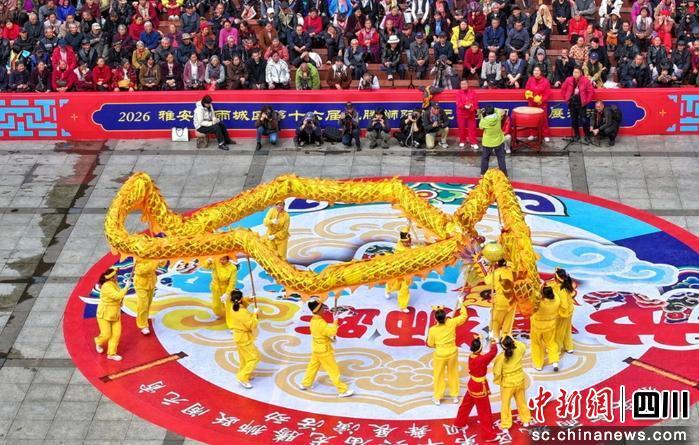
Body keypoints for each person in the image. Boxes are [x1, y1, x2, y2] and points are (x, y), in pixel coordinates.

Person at [300, 299, 355, 397]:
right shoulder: (321, 323)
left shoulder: (313, 320)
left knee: (312, 366)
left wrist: (330, 339)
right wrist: (335, 320)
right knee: (333, 370)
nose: (324, 310)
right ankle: (342, 390)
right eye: (322, 308)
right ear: (318, 311)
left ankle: (305, 384)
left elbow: (322, 334)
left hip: (316, 348)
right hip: (324, 350)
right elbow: (332, 332)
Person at [454, 334, 499, 441]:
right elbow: (492, 353)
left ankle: (459, 423)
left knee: (466, 404)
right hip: (479, 387)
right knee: (484, 411)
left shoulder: (471, 356)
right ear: (480, 348)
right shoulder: (481, 359)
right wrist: (493, 342)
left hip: (472, 383)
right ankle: (489, 435)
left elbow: (485, 355)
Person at [427, 298, 468, 405]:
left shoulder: (433, 329)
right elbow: (464, 316)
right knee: (453, 373)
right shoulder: (451, 322)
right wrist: (461, 303)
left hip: (440, 353)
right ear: (445, 317)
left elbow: (430, 344)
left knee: (439, 375)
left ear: (436, 318)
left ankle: (437, 397)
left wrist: (437, 345)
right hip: (452, 352)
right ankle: (454, 396)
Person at [494, 336, 532, 432]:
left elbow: (497, 372)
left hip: (507, 384)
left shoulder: (501, 357)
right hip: (519, 380)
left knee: (505, 405)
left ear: (502, 346)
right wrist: (511, 338)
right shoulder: (519, 349)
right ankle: (526, 420)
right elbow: (522, 345)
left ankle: (506, 425)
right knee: (521, 401)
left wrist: (499, 381)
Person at [226, 290, 260, 389]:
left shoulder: (232, 306)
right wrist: (255, 314)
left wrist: (249, 298)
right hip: (244, 337)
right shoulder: (242, 312)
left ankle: (245, 373)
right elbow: (252, 324)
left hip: (238, 336)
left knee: (244, 357)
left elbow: (242, 301)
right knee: (254, 357)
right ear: (240, 299)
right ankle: (242, 377)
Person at [94, 267, 131, 361]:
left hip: (115, 313)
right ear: (111, 277)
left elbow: (118, 297)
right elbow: (117, 296)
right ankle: (98, 341)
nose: (117, 276)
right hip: (104, 314)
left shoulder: (114, 283)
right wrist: (126, 287)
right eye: (115, 275)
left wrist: (120, 302)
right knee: (106, 334)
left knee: (116, 335)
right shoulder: (106, 286)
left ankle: (111, 353)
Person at [531, 285, 561, 372]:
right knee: (551, 343)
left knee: (536, 345)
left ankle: (538, 365)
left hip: (537, 327)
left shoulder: (539, 303)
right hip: (550, 327)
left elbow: (533, 296)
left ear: (543, 294)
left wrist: (539, 289)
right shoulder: (557, 300)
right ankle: (555, 362)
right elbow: (553, 293)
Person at [561, 67, 594, 142]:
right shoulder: (568, 79)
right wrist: (566, 98)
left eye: (577, 72)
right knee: (574, 120)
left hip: (581, 103)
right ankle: (576, 135)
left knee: (584, 120)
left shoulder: (585, 80)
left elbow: (591, 92)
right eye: (574, 72)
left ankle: (587, 135)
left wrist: (586, 101)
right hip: (572, 103)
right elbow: (563, 89)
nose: (575, 74)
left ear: (581, 73)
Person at [385, 228, 413, 311]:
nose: (407, 243)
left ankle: (403, 306)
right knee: (394, 284)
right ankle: (388, 289)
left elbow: (405, 230)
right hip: (397, 270)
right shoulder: (399, 249)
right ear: (401, 241)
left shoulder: (408, 246)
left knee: (404, 288)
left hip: (406, 272)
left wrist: (408, 226)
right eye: (405, 242)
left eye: (408, 241)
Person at [549, 268, 576, 354]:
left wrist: (559, 313)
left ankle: (556, 349)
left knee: (559, 332)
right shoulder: (565, 285)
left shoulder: (561, 291)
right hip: (569, 311)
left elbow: (564, 305)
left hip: (563, 313)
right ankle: (569, 347)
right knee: (567, 329)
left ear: (557, 278)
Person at [134, 259, 164, 335]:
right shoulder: (138, 256)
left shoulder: (152, 255)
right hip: (141, 283)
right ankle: (143, 325)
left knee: (148, 303)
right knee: (143, 304)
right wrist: (156, 261)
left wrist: (162, 259)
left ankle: (144, 318)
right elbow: (142, 270)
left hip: (151, 282)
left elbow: (161, 265)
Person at [524, 66, 552, 143]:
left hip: (541, 104)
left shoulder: (545, 81)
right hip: (532, 103)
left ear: (541, 72)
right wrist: (530, 96)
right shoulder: (530, 80)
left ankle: (545, 135)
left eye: (538, 70)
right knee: (532, 119)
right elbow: (527, 89)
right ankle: (532, 134)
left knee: (543, 119)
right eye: (535, 70)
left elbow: (547, 93)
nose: (536, 72)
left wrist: (541, 100)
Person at [478, 106, 508, 177]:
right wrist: (494, 109)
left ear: (486, 113)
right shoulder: (498, 116)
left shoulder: (484, 121)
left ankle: (483, 173)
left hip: (487, 143)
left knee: (485, 158)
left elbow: (480, 127)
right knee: (501, 158)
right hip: (499, 141)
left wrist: (482, 116)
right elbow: (502, 110)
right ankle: (504, 174)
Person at [456, 79, 479, 150]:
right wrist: (464, 106)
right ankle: (462, 140)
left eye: (465, 84)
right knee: (461, 127)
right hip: (461, 113)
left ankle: (473, 142)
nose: (463, 85)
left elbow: (475, 102)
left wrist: (472, 106)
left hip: (471, 112)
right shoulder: (458, 93)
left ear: (467, 84)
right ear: (460, 85)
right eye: (462, 84)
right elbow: (458, 103)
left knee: (472, 128)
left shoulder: (473, 92)